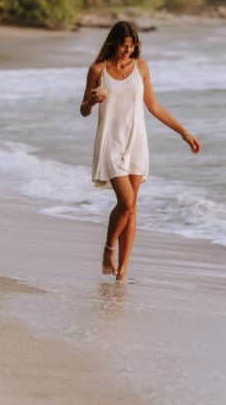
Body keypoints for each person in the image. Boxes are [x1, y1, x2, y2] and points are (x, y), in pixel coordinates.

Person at [80, 20, 201, 282]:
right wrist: (93, 99)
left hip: (136, 141)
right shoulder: (98, 69)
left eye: (131, 46)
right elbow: (83, 110)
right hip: (111, 142)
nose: (126, 51)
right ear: (114, 43)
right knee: (127, 202)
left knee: (132, 209)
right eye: (122, 46)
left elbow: (154, 107)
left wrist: (184, 132)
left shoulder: (141, 69)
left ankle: (122, 272)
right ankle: (108, 250)